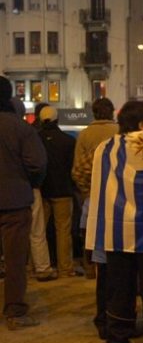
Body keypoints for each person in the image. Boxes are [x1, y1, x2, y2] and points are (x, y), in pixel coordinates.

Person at [85, 101, 143, 343]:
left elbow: (97, 188)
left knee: (118, 287)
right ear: (142, 124)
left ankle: (118, 341)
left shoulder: (105, 148)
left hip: (116, 230)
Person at [0, 75, 47, 330]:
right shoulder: (20, 128)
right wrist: (28, 182)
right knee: (16, 260)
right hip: (14, 202)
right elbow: (38, 164)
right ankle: (15, 311)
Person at [72, 97, 119, 338]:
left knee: (97, 252)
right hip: (120, 202)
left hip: (94, 200)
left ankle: (92, 273)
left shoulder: (85, 135)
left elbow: (78, 170)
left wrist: (88, 192)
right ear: (112, 112)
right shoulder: (120, 133)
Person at [38, 106, 77, 278]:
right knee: (63, 230)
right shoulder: (68, 141)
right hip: (63, 190)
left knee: (38, 231)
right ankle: (65, 268)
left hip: (42, 190)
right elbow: (73, 168)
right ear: (57, 119)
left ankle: (37, 266)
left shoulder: (36, 139)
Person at [29, 102, 57, 281]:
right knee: (37, 230)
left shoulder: (32, 132)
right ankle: (42, 267)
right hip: (27, 188)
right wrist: (36, 183)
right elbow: (38, 164)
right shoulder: (25, 133)